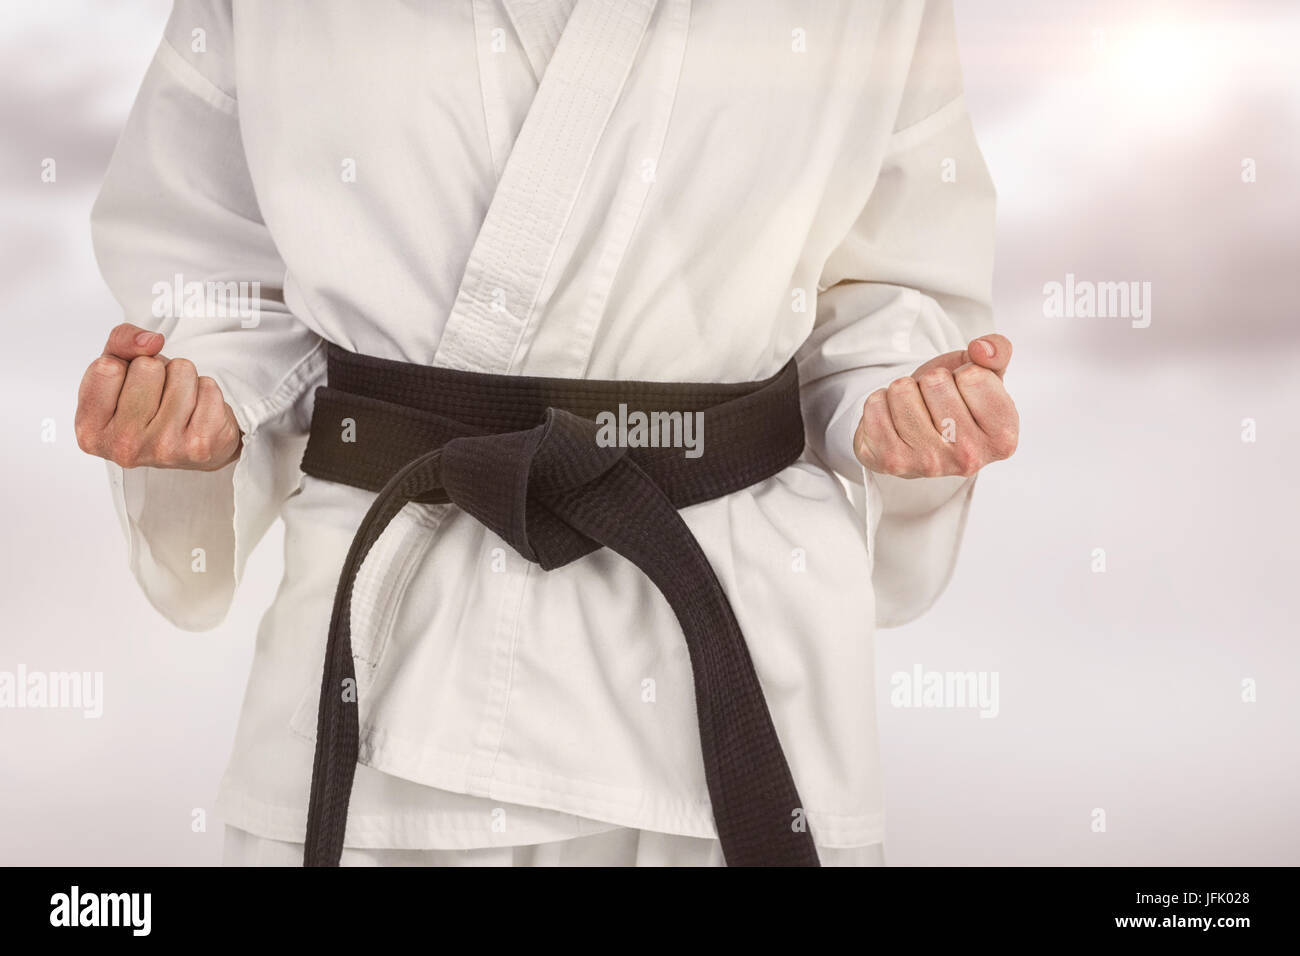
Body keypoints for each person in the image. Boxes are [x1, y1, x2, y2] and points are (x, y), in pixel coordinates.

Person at [76, 0, 1018, 867]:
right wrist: (197, 409)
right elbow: (221, 278)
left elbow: (886, 293)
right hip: (383, 676)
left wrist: (908, 411)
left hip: (731, 667)